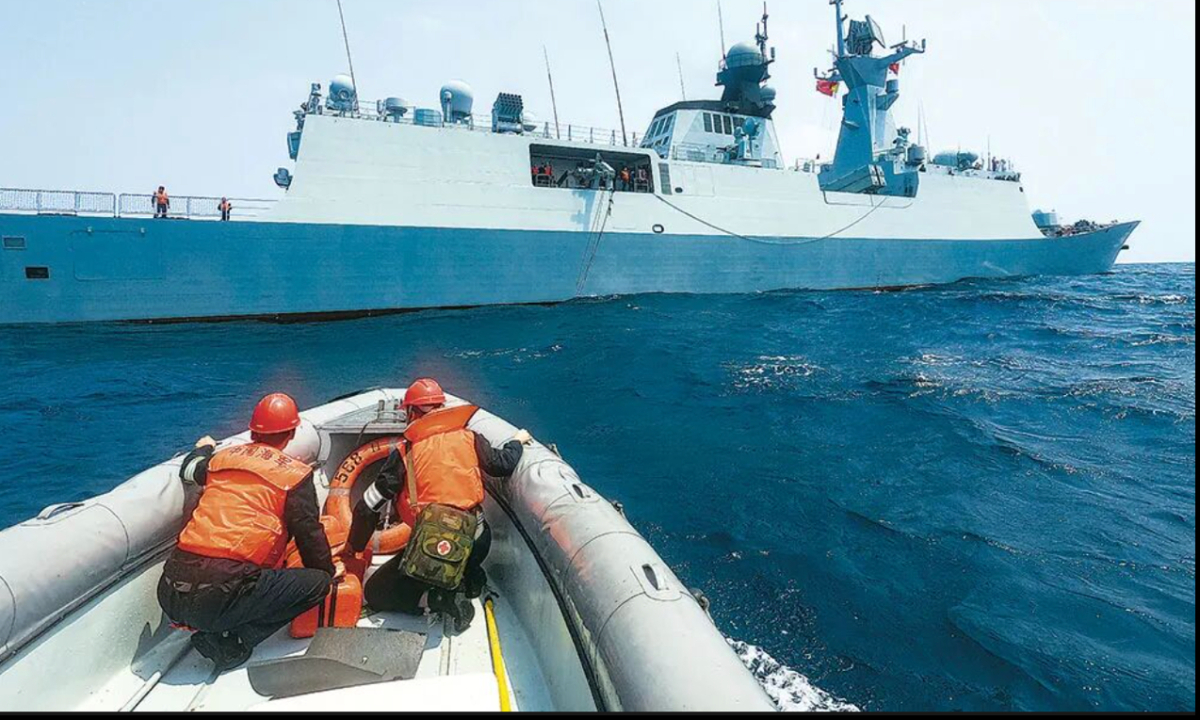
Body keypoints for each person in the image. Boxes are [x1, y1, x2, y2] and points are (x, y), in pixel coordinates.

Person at [158, 393, 335, 671]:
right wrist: (326, 574)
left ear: (252, 432)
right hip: (219, 596)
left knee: (237, 582)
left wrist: (204, 448)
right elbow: (309, 536)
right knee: (318, 584)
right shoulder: (294, 476)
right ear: (291, 434)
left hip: (170, 591)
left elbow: (190, 469)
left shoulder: (219, 461)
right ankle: (234, 641)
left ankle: (214, 626)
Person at [349, 378, 532, 631]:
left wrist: (354, 548)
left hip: (434, 550)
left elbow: (367, 507)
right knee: (455, 553)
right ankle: (468, 576)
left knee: (377, 591)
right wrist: (516, 442)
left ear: (411, 412)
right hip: (478, 542)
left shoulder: (404, 453)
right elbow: (502, 465)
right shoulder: (469, 437)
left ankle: (436, 599)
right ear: (442, 408)